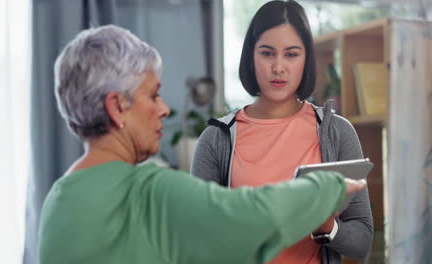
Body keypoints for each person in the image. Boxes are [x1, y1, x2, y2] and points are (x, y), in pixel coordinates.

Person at [37, 24, 367, 264]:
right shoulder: (151, 193)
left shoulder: (57, 200)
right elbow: (254, 215)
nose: (164, 108)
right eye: (152, 95)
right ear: (116, 106)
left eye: (291, 54)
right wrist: (326, 186)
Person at [191, 1, 373, 264]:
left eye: (291, 54)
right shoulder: (216, 138)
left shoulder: (337, 132)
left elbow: (362, 241)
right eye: (267, 53)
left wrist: (327, 227)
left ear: (306, 60)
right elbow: (195, 237)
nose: (278, 67)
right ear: (251, 58)